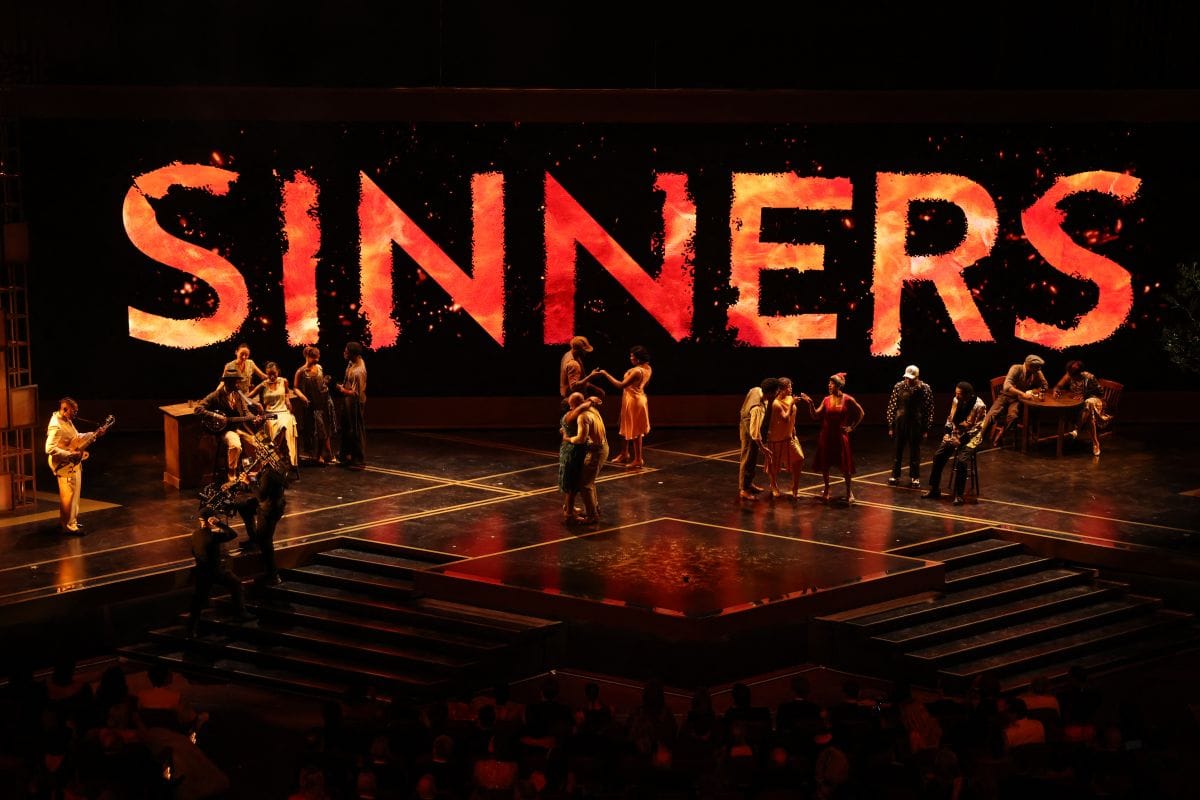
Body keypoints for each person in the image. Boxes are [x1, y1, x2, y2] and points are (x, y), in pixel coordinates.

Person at [801, 373, 864, 504]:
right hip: (826, 436)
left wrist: (852, 427)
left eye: (832, 383)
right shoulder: (826, 400)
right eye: (829, 383)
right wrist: (810, 403)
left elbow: (861, 413)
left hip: (840, 437)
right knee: (825, 464)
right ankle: (826, 489)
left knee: (845, 466)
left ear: (838, 385)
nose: (829, 385)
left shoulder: (847, 399)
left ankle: (849, 491)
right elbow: (815, 416)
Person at [187, 511, 252, 638]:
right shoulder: (213, 536)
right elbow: (233, 534)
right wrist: (220, 524)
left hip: (201, 572)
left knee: (198, 601)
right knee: (236, 583)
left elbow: (193, 552)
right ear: (211, 520)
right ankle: (240, 613)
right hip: (215, 571)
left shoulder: (195, 534)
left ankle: (191, 628)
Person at [196, 367, 266, 482]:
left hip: (239, 428)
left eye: (237, 381)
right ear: (227, 382)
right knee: (236, 445)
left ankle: (251, 475)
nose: (237, 384)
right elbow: (198, 409)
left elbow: (245, 412)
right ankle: (232, 474)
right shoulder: (216, 395)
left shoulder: (238, 394)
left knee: (257, 445)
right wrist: (215, 415)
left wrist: (253, 419)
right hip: (225, 430)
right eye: (234, 382)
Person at [923, 381, 987, 505]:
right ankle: (934, 489)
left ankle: (959, 495)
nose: (956, 396)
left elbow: (978, 428)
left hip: (971, 438)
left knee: (961, 461)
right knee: (938, 456)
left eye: (959, 394)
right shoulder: (956, 400)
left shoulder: (979, 405)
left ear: (968, 394)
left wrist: (961, 440)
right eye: (956, 393)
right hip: (956, 434)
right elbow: (950, 418)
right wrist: (947, 433)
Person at [599, 345, 652, 467]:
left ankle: (638, 459)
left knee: (636, 430)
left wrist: (605, 374)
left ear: (638, 359)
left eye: (632, 356)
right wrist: (638, 388)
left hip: (634, 401)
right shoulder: (648, 368)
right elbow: (646, 383)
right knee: (624, 425)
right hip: (634, 398)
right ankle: (624, 453)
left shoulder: (636, 371)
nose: (630, 358)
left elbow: (620, 385)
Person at [250, 361, 305, 473]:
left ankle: (276, 452)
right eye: (269, 374)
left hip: (283, 412)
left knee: (285, 423)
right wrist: (257, 404)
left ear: (278, 372)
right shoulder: (263, 384)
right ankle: (275, 454)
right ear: (266, 373)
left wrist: (287, 401)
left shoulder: (283, 381)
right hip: (270, 414)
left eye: (274, 374)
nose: (272, 377)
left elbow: (286, 394)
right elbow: (248, 397)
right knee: (274, 425)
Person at [886, 364, 935, 488]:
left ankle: (915, 477)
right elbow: (892, 406)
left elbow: (929, 409)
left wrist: (926, 428)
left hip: (916, 423)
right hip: (900, 421)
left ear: (917, 377)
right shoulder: (899, 386)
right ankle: (895, 475)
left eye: (911, 378)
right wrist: (891, 426)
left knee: (915, 451)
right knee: (897, 450)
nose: (908, 380)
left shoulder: (925, 388)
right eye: (907, 378)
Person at [562, 394, 609, 524]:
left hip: (595, 451)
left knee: (585, 485)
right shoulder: (593, 409)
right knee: (590, 482)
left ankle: (592, 515)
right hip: (604, 446)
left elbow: (580, 439)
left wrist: (567, 438)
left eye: (571, 406)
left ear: (573, 406)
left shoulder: (583, 416)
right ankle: (594, 509)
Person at [45, 397, 87, 535]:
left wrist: (92, 434)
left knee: (73, 495)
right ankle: (69, 526)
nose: (75, 414)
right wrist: (69, 454)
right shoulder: (56, 425)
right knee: (69, 495)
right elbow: (49, 448)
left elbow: (75, 436)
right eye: (73, 411)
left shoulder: (66, 420)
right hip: (64, 464)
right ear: (64, 409)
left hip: (71, 463)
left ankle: (70, 520)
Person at [986, 354, 1048, 447]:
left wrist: (1033, 391)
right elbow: (1006, 386)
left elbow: (1045, 385)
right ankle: (977, 439)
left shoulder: (1036, 372)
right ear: (1030, 366)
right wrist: (1023, 394)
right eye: (1037, 367)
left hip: (1017, 399)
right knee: (991, 415)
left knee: (1013, 416)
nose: (1039, 369)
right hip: (1005, 396)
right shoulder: (1016, 368)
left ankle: (1002, 435)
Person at [764, 378, 810, 500]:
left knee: (799, 458)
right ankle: (773, 485)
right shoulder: (776, 403)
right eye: (789, 387)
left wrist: (793, 426)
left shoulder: (790, 398)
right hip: (776, 437)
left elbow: (792, 415)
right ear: (782, 389)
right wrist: (792, 404)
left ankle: (795, 486)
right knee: (773, 465)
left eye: (790, 386)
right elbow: (785, 418)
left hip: (789, 436)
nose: (791, 389)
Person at [1055, 359, 1109, 457]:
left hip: (1096, 401)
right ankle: (1095, 443)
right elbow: (1058, 386)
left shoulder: (1089, 377)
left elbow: (1100, 392)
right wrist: (1056, 390)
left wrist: (1085, 395)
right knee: (1090, 416)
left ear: (1079, 373)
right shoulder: (1069, 375)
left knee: (1089, 403)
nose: (1070, 376)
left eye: (1073, 375)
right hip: (1081, 406)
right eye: (1069, 373)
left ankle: (1077, 430)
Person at [738, 378, 781, 500]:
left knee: (752, 458)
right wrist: (763, 448)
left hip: (747, 424)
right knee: (747, 458)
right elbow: (755, 434)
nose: (778, 393)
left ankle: (748, 483)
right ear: (771, 393)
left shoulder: (756, 390)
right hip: (748, 431)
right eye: (777, 391)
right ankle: (744, 489)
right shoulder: (757, 408)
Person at [294, 346, 337, 465]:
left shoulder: (319, 367)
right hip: (312, 404)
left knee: (324, 429)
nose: (316, 360)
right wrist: (302, 397)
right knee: (315, 431)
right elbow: (295, 388)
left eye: (318, 358)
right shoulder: (301, 371)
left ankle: (324, 454)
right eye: (314, 358)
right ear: (307, 356)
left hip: (323, 402)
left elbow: (321, 383)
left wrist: (325, 381)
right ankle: (317, 455)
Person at [337, 341, 368, 469]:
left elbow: (356, 393)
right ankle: (346, 455)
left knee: (355, 430)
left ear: (353, 354)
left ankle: (359, 460)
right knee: (346, 428)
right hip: (348, 400)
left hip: (355, 403)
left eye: (347, 351)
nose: (344, 352)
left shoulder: (358, 371)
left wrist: (343, 390)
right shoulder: (352, 362)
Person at [558, 335, 604, 399]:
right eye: (584, 350)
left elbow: (578, 379)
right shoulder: (573, 364)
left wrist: (595, 388)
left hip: (571, 396)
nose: (586, 352)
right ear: (578, 350)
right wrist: (591, 376)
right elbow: (574, 387)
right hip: (573, 399)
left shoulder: (568, 355)